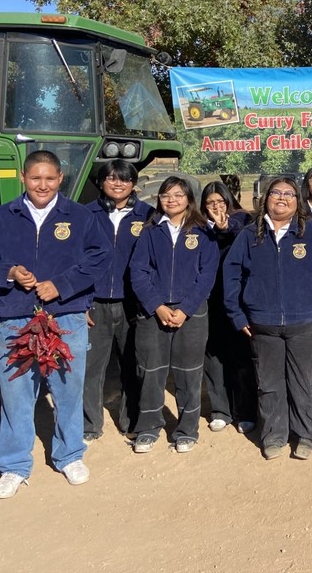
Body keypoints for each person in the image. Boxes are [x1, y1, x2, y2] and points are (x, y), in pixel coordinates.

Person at [0, 150, 110, 498]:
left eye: (49, 178)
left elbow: (101, 257)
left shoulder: (79, 216)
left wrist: (62, 284)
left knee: (68, 390)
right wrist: (8, 273)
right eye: (35, 178)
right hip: (16, 318)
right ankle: (14, 465)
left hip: (66, 317)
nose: (42, 185)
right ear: (23, 178)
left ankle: (69, 454)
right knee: (15, 394)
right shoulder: (0, 219)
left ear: (61, 179)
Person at [223, 177, 312, 460]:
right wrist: (237, 314)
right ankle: (274, 436)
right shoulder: (249, 235)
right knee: (269, 385)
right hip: (262, 326)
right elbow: (231, 276)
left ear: (297, 200)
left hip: (306, 325)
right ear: (265, 198)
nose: (282, 198)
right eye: (276, 193)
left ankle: (305, 436)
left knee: (306, 384)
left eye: (289, 193)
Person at [128, 177, 219, 455]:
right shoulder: (150, 231)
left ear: (189, 199)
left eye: (178, 195)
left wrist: (185, 309)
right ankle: (148, 427)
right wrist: (157, 306)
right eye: (166, 195)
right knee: (151, 372)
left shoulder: (203, 232)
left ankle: (187, 429)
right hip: (153, 312)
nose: (172, 200)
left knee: (188, 374)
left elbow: (207, 275)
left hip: (190, 313)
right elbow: (138, 272)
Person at [82, 160, 152, 443]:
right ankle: (89, 425)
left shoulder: (148, 215)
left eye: (125, 179)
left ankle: (131, 420)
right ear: (101, 182)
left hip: (131, 305)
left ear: (134, 184)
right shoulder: (85, 215)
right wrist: (82, 302)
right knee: (90, 367)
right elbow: (77, 262)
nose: (118, 183)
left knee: (133, 365)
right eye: (111, 178)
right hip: (94, 303)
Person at [201, 180, 256, 434]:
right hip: (209, 300)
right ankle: (220, 410)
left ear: (229, 201)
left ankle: (245, 410)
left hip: (237, 299)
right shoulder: (199, 227)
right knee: (214, 356)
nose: (216, 207)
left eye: (220, 202)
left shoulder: (242, 220)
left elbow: (232, 227)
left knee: (241, 356)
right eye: (210, 203)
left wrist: (224, 225)